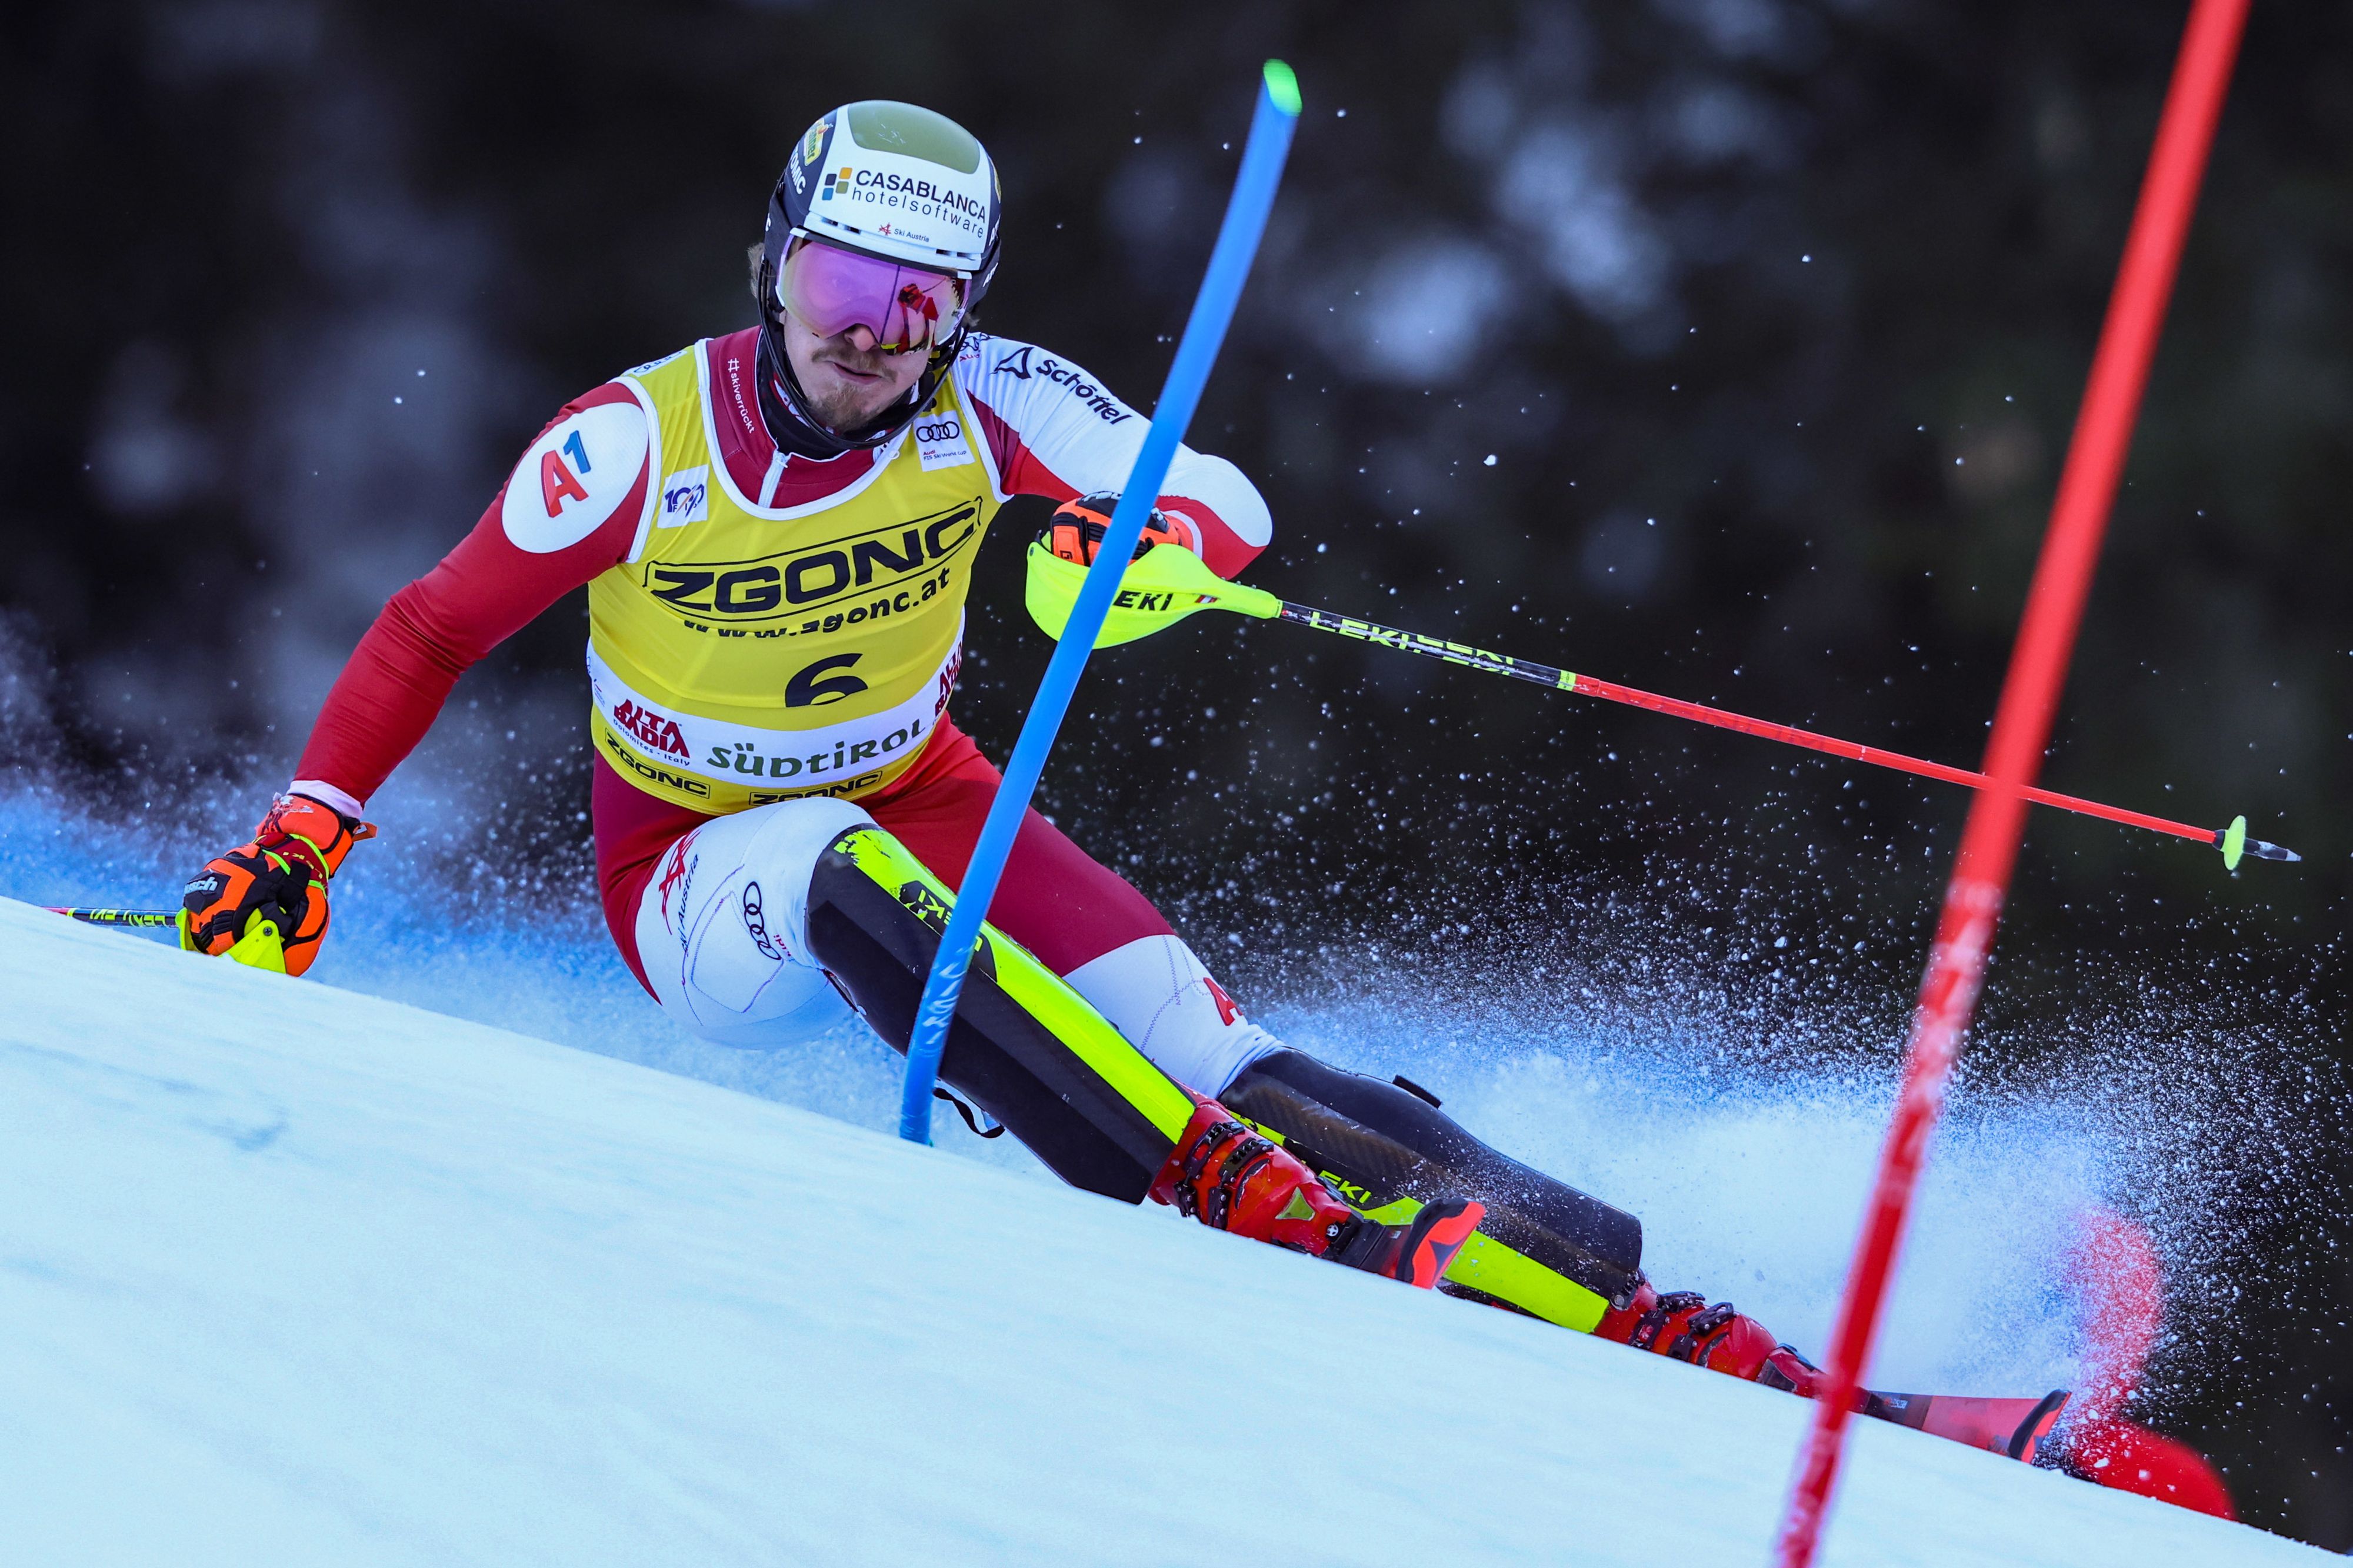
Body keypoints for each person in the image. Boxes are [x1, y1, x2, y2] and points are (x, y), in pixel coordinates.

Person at [177, 99, 2228, 1513]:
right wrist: (306, 839)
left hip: (933, 786)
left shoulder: (986, 405)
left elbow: (1216, 498)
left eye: (913, 308)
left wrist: (1131, 558)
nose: (870, 344)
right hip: (704, 870)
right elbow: (429, 627)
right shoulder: (635, 444)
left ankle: (1643, 1297)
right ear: (774, 264)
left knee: (1215, 1041)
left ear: (960, 306)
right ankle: (1208, 1197)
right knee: (839, 873)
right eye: (834, 290)